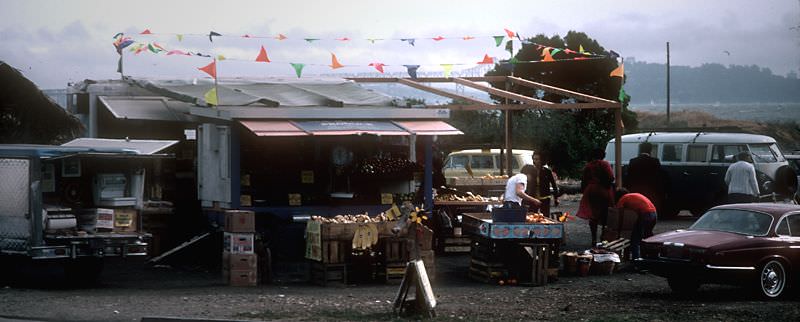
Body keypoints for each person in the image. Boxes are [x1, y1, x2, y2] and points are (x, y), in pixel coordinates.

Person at [576, 148, 615, 246]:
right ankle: (603, 236)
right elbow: (611, 176)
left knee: (593, 215)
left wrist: (585, 190)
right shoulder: (604, 164)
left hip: (591, 190)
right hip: (603, 190)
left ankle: (594, 238)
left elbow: (584, 180)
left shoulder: (589, 165)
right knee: (605, 213)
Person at [615, 188, 657, 259]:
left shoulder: (623, 198)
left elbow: (619, 214)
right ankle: (651, 257)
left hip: (645, 215)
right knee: (647, 237)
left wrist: (618, 228)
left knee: (635, 240)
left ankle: (636, 260)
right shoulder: (635, 195)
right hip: (654, 214)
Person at [626, 142, 666, 213]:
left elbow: (629, 176)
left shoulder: (633, 161)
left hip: (636, 188)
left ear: (640, 150)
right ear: (650, 150)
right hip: (651, 189)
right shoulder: (655, 161)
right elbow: (659, 176)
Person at [525, 152, 559, 219]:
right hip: (533, 198)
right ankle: (532, 230)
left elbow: (554, 185)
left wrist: (556, 198)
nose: (535, 161)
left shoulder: (547, 171)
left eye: (537, 159)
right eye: (534, 159)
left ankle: (545, 229)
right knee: (532, 217)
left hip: (545, 198)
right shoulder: (529, 170)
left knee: (545, 217)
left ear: (541, 160)